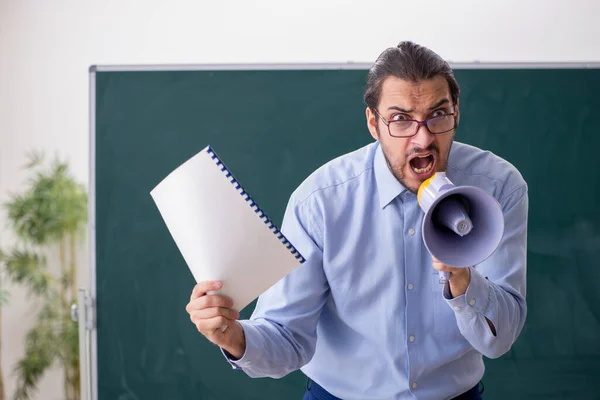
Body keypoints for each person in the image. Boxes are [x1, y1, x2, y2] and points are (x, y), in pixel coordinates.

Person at [185, 41, 528, 400]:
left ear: (456, 112)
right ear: (373, 123)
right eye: (401, 119)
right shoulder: (321, 202)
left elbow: (499, 339)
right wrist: (231, 336)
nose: (423, 138)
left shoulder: (497, 187)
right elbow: (287, 339)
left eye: (438, 114)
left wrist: (463, 279)